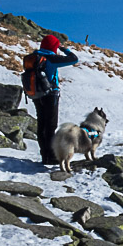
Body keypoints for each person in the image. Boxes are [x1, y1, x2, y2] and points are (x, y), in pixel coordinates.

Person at [32, 35, 79, 164]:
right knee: (51, 126)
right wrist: (64, 49)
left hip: (36, 95)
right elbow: (74, 59)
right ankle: (52, 157)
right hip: (50, 95)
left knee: (42, 125)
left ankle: (44, 156)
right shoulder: (51, 57)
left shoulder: (35, 56)